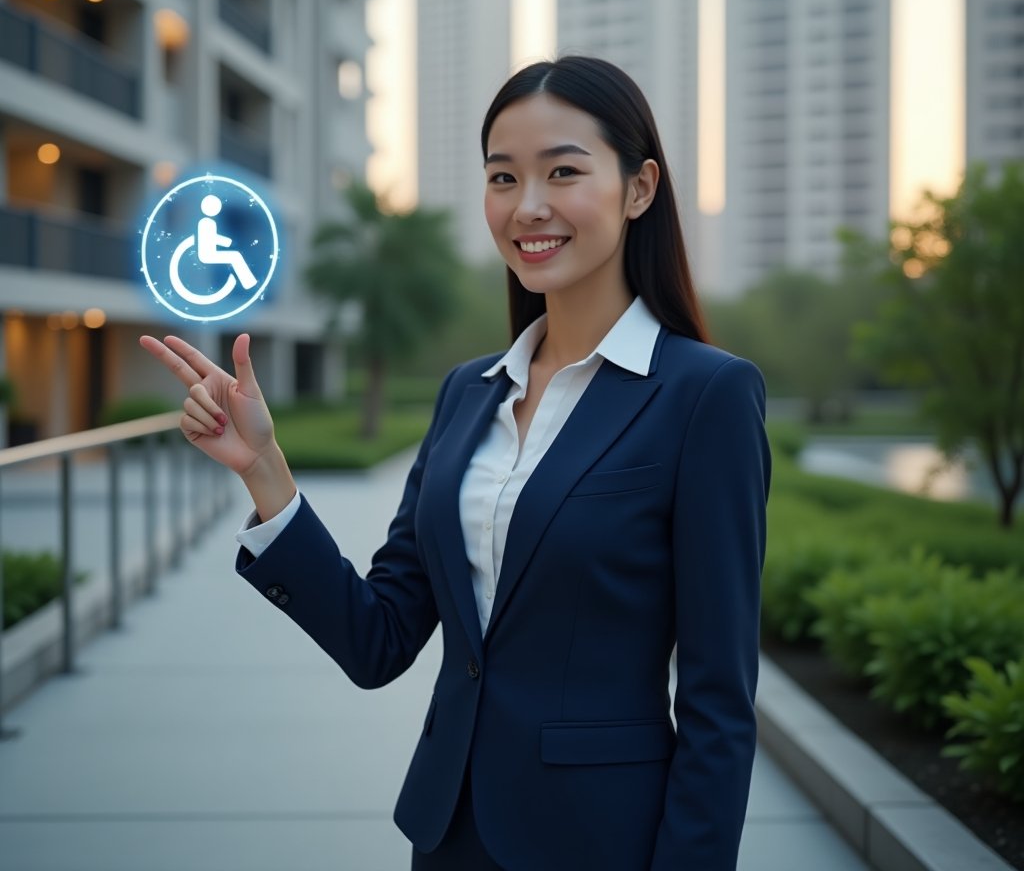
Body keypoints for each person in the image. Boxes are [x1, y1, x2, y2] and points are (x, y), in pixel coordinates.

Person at [139, 54, 771, 870]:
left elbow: (721, 702)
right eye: (502, 178)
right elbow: (381, 639)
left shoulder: (704, 396)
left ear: (640, 188)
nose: (527, 206)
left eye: (563, 172)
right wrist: (264, 470)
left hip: (604, 842)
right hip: (449, 834)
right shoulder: (467, 395)